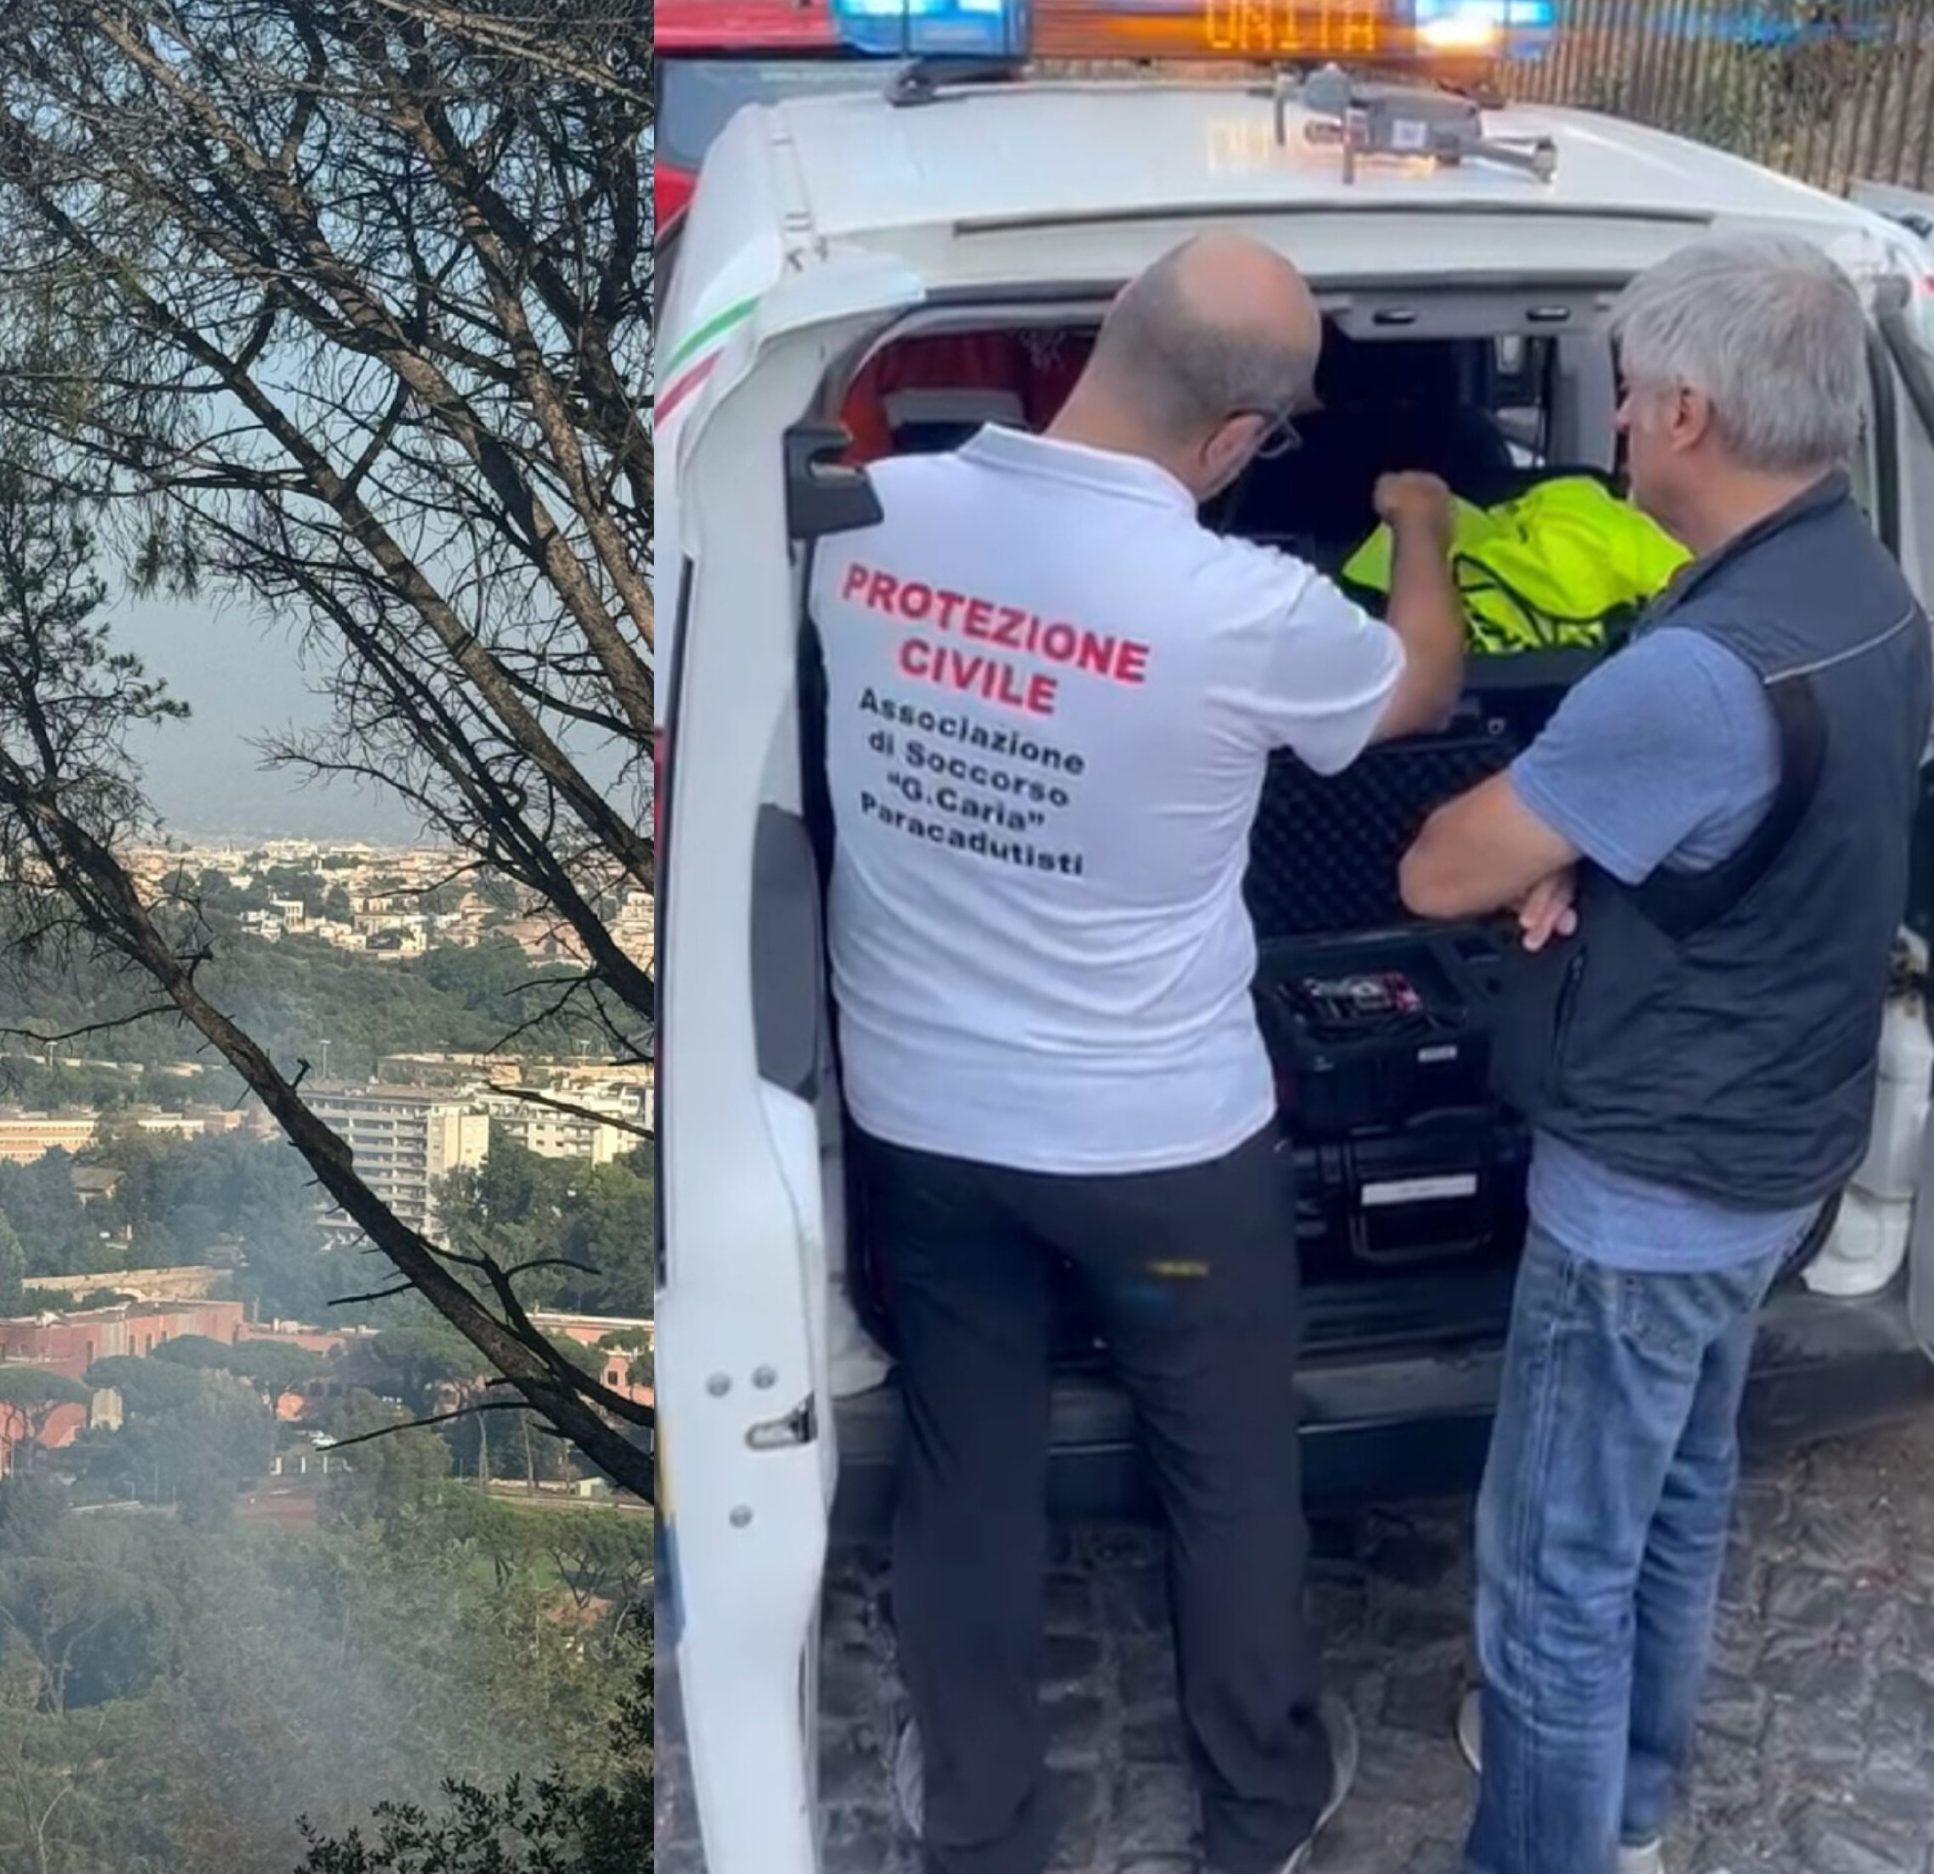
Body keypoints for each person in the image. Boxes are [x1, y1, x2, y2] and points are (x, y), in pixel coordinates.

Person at [814, 230, 1465, 1874]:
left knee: (969, 1466)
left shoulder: (867, 514)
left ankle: (976, 1819)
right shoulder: (1247, 607)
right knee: (1228, 1479)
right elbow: (1417, 694)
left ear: (1107, 322)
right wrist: (1420, 527)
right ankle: (1258, 1815)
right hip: (1164, 1155)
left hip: (926, 1118)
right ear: (1242, 444)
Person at [1398, 234, 1933, 1874]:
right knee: (1679, 1494)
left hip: (1648, 1181)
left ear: (1686, 412)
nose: (1614, 426)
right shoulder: (1867, 588)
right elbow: (1754, 827)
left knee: (1556, 1568)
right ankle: (1628, 1800)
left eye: (1627, 398)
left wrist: (1550, 845)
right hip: (1783, 1142)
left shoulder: (1691, 675)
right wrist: (1597, 845)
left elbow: (1440, 867)